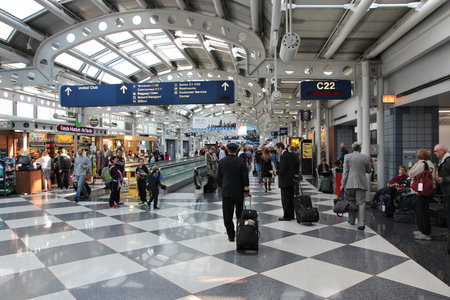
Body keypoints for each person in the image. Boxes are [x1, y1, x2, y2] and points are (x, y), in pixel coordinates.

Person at [218, 143, 250, 242]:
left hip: (226, 192)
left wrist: (222, 186)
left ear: (227, 149)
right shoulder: (241, 161)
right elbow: (245, 177)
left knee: (227, 215)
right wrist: (246, 190)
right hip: (239, 192)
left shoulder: (222, 162)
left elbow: (219, 177)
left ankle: (231, 235)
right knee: (240, 213)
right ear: (237, 150)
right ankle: (240, 232)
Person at [341, 142, 372, 230]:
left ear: (352, 149)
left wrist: (343, 183)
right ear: (360, 149)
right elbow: (369, 170)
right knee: (361, 203)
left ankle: (351, 220)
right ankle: (361, 223)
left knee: (351, 202)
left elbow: (345, 171)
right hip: (361, 183)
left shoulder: (347, 157)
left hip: (349, 183)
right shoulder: (365, 157)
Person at [410, 148, 436, 240]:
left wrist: (417, 163)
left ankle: (425, 232)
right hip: (429, 190)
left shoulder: (422, 164)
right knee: (422, 211)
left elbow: (412, 173)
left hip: (423, 191)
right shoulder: (431, 164)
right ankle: (422, 230)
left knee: (422, 212)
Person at [271, 142, 300, 221]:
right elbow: (297, 164)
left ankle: (287, 216)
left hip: (284, 181)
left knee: (285, 199)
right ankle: (291, 215)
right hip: (291, 180)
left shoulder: (284, 156)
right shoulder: (293, 155)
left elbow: (282, 170)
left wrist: (274, 172)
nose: (276, 151)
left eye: (277, 149)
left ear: (280, 148)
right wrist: (295, 175)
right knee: (291, 198)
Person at [434, 144, 450, 254]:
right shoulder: (443, 161)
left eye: (436, 151)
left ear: (442, 151)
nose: (435, 153)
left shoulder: (448, 161)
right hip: (446, 192)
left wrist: (443, 179)